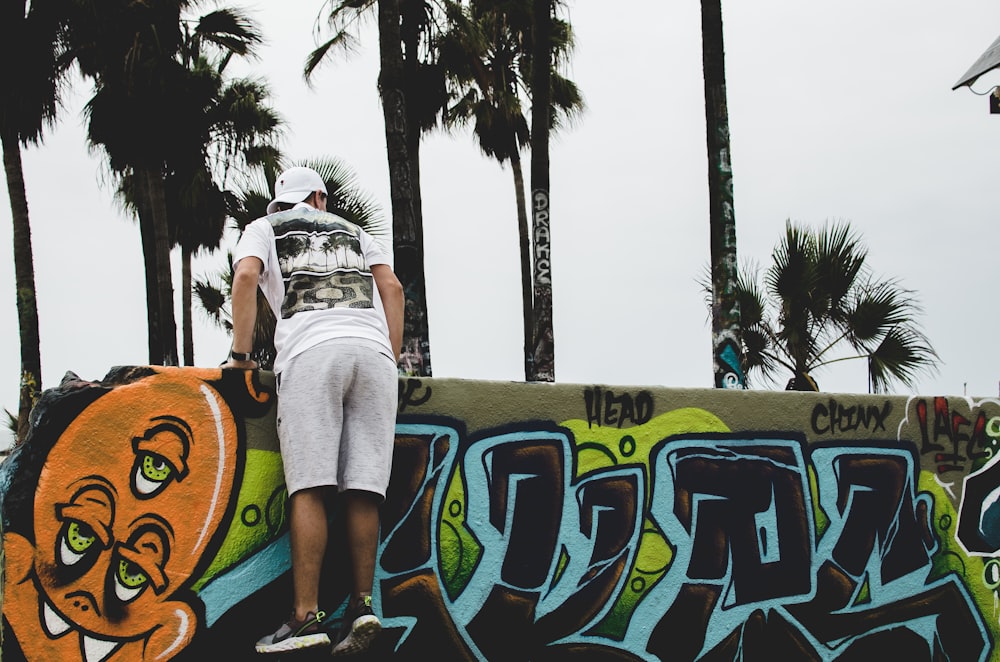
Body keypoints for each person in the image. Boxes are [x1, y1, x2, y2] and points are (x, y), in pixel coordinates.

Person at [225, 166, 403, 656]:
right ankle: (363, 605)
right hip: (375, 357)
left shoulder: (264, 229)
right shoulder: (356, 231)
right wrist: (387, 354)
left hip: (311, 353)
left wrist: (241, 357)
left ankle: (305, 617)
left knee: (311, 485)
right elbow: (393, 290)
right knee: (364, 485)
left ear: (280, 206)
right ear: (320, 198)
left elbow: (245, 276)